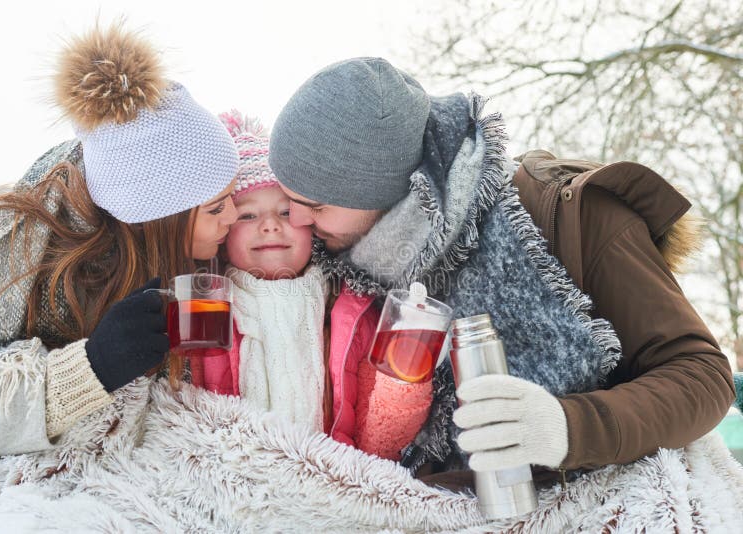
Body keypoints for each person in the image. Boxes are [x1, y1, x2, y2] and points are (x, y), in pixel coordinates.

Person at [267, 57, 736, 480]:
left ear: (382, 190)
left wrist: (567, 427)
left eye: (314, 204)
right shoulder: (339, 263)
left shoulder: (565, 214)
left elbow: (702, 374)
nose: (298, 221)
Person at [0, 24, 240, 472]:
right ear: (155, 218)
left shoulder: (226, 252)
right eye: (217, 208)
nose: (236, 217)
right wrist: (89, 370)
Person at [187, 111, 432, 459]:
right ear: (225, 229)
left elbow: (379, 438)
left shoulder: (350, 308)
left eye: (286, 213)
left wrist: (404, 380)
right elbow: (183, 400)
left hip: (332, 485)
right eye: (248, 215)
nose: (270, 225)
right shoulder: (202, 306)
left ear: (309, 223)